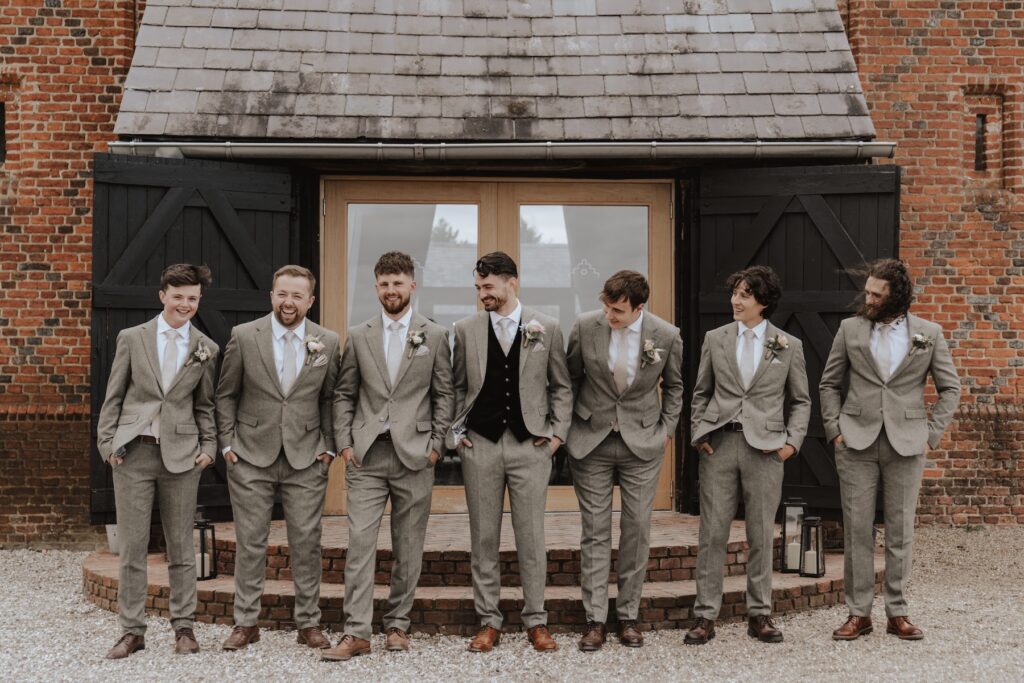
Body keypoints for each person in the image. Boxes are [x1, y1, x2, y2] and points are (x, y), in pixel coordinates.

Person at [322, 252, 454, 661]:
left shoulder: (434, 335)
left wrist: (437, 446)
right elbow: (344, 393)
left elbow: (444, 394)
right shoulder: (358, 335)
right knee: (360, 544)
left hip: (416, 455)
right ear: (376, 287)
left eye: (398, 283)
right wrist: (345, 443)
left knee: (408, 546)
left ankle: (398, 625)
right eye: (384, 284)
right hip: (367, 456)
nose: (391, 290)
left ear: (412, 285)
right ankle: (356, 632)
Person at [820, 258, 960, 641]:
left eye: (876, 295)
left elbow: (951, 388)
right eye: (867, 291)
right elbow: (829, 383)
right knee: (857, 530)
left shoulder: (929, 333)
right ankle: (858, 614)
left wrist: (930, 434)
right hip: (855, 441)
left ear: (896, 297)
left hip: (907, 443)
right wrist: (835, 430)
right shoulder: (849, 329)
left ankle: (897, 612)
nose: (868, 299)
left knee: (900, 531)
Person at [448, 251, 572, 653]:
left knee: (531, 537)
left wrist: (556, 436)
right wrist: (457, 434)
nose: (482, 293)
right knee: (483, 538)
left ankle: (536, 620)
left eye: (488, 286)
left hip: (530, 446)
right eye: (478, 287)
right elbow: (455, 387)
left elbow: (561, 387)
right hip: (480, 445)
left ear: (511, 282)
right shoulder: (465, 329)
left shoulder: (546, 327)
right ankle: (488, 621)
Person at [96, 263, 218, 658]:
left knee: (181, 547)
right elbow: (114, 394)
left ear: (199, 300)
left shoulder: (206, 347)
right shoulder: (133, 338)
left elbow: (205, 405)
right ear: (163, 295)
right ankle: (132, 631)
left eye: (192, 298)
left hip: (182, 458)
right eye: (178, 296)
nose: (185, 304)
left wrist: (209, 448)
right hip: (133, 453)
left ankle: (184, 627)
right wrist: (107, 444)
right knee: (133, 547)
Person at [215, 265, 340, 651]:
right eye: (282, 294)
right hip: (250, 455)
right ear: (272, 296)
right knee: (250, 542)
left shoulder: (328, 341)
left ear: (310, 301)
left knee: (307, 542)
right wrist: (227, 444)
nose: (289, 302)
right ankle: (245, 623)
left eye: (297, 296)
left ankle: (308, 623)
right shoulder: (244, 336)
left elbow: (330, 398)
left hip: (307, 456)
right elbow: (226, 394)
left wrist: (329, 447)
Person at [686, 265, 811, 645]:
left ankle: (759, 615)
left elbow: (801, 400)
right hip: (720, 445)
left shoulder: (788, 345)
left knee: (761, 534)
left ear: (764, 302)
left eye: (745, 295)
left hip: (767, 450)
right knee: (712, 534)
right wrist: (699, 435)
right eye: (735, 293)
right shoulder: (715, 338)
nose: (735, 301)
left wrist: (791, 444)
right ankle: (705, 616)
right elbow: (701, 392)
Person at [565, 270, 683, 651]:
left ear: (639, 308)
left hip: (642, 444)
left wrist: (666, 430)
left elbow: (675, 386)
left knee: (636, 529)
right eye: (606, 306)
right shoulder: (584, 327)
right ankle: (595, 620)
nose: (609, 315)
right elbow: (569, 380)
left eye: (617, 310)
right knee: (595, 531)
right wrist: (567, 428)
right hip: (591, 441)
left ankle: (628, 616)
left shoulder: (666, 335)